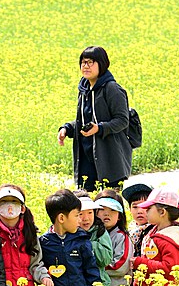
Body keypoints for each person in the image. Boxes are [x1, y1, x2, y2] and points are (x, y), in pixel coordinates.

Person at [57, 46, 132, 191]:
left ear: (102, 64)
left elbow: (123, 120)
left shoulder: (112, 89)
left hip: (109, 158)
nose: (85, 66)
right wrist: (67, 128)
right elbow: (83, 121)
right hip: (86, 158)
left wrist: (100, 128)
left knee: (109, 207)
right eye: (83, 62)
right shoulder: (84, 90)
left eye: (90, 62)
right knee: (87, 206)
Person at [39, 189, 100, 286]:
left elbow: (92, 272)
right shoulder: (44, 243)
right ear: (61, 218)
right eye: (77, 215)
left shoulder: (82, 240)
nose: (80, 220)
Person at [131, 188, 179, 281]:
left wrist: (141, 263)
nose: (145, 211)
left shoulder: (170, 239)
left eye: (148, 209)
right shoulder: (154, 231)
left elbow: (169, 269)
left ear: (162, 212)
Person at [93, 191, 133, 286]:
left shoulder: (121, 237)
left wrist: (93, 267)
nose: (107, 213)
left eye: (112, 210)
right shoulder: (91, 234)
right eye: (102, 209)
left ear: (119, 216)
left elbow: (120, 266)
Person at [74, 191, 113, 286]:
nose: (86, 218)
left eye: (90, 212)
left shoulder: (99, 231)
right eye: (81, 214)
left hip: (99, 285)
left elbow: (106, 259)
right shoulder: (67, 233)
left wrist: (87, 243)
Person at [122, 183, 153, 257]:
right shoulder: (130, 229)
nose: (139, 211)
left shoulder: (155, 231)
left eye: (144, 206)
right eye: (135, 207)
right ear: (129, 209)